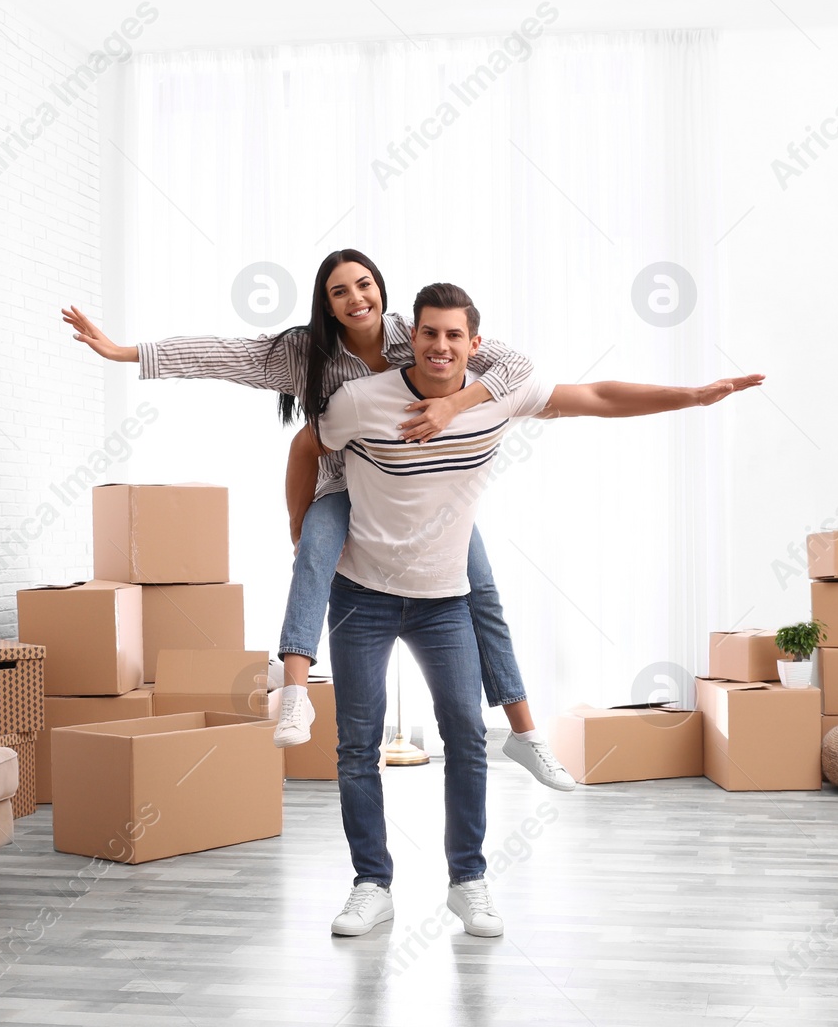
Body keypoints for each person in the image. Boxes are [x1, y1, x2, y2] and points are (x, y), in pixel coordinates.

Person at [315, 282, 763, 938]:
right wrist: (302, 534)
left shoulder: (499, 396)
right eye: (429, 332)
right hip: (362, 593)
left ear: (475, 343)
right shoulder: (359, 401)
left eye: (454, 335)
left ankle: (468, 881)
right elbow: (309, 449)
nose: (440, 345)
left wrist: (692, 396)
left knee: (466, 736)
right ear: (412, 337)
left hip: (444, 601)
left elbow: (599, 397)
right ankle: (370, 884)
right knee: (357, 745)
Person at [61, 249, 574, 790]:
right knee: (311, 551)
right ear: (326, 305)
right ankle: (295, 694)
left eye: (365, 284)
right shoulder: (306, 354)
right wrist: (125, 352)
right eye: (340, 291)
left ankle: (525, 733)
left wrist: (455, 403)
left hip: (420, 498)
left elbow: (517, 367)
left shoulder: (417, 333)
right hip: (344, 487)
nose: (356, 298)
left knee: (483, 591)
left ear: (381, 288)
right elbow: (221, 355)